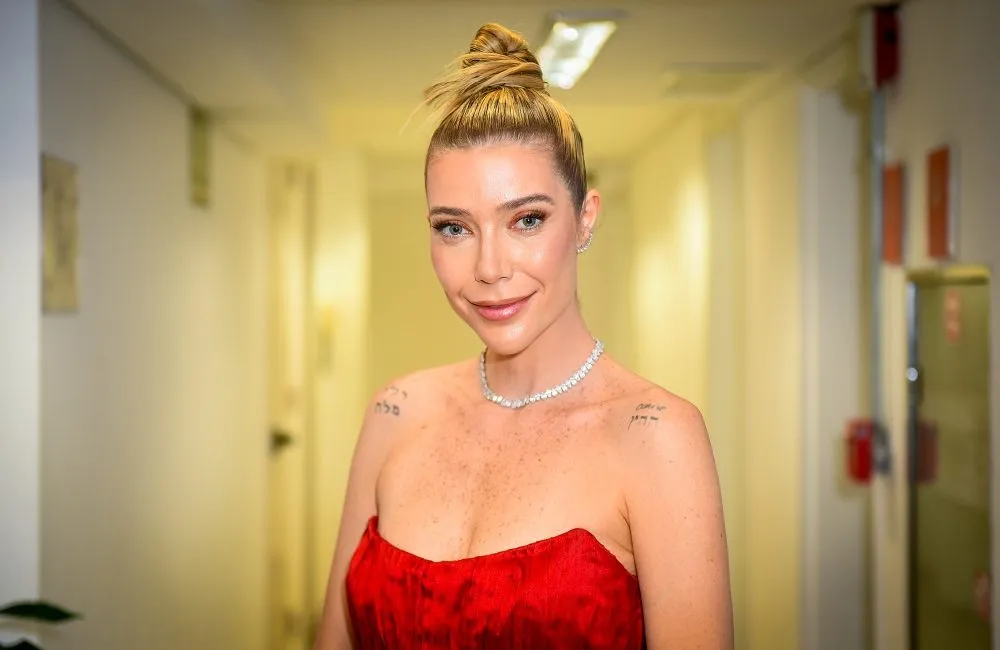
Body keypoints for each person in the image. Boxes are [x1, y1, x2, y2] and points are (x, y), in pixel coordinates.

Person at [314, 21, 733, 650]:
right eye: (454, 228)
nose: (489, 268)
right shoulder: (395, 412)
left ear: (585, 219)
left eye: (526, 220)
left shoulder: (655, 435)